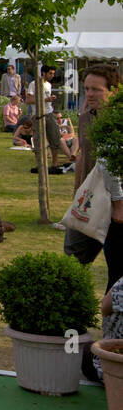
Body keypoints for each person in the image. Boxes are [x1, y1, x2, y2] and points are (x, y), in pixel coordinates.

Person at [64, 64, 123, 292]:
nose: (89, 94)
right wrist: (76, 192)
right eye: (87, 89)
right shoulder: (86, 118)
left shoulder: (118, 123)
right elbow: (83, 156)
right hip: (89, 199)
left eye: (96, 90)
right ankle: (70, 313)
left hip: (117, 203)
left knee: (116, 267)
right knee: (72, 257)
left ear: (114, 91)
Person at [27, 64, 67, 168]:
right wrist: (45, 100)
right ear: (43, 73)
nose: (52, 75)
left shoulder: (49, 85)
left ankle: (55, 163)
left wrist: (50, 98)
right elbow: (28, 100)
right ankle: (39, 164)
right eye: (50, 73)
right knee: (38, 140)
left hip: (49, 113)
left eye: (53, 73)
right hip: (38, 115)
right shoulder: (34, 84)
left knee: (55, 138)